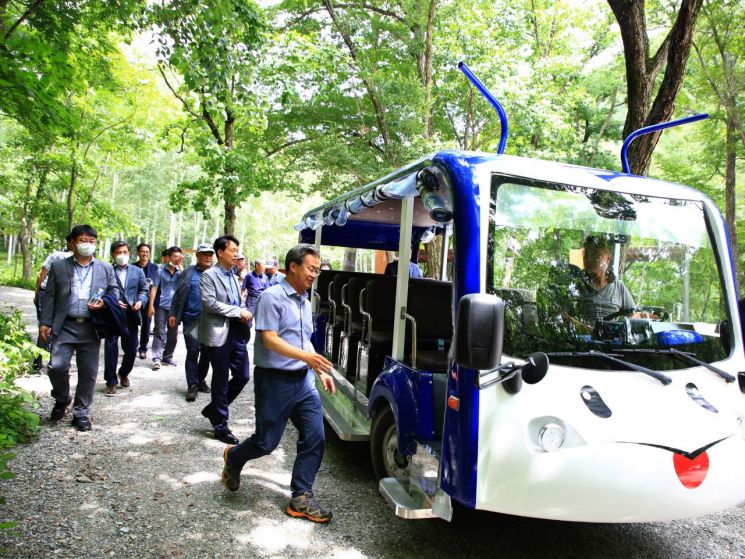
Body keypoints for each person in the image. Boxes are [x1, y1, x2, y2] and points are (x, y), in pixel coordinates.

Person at [221, 244, 335, 523]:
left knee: (315, 436)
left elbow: (302, 338)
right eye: (311, 268)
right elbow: (270, 339)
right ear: (293, 266)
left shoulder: (305, 301)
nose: (314, 274)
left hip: (303, 381)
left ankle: (301, 496)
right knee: (266, 442)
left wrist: (317, 368)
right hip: (274, 380)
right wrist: (308, 356)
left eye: (317, 270)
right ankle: (235, 457)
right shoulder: (271, 297)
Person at [39, 224, 118, 431]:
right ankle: (62, 397)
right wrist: (45, 322)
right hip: (64, 325)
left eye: (91, 242)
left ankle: (81, 412)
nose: (87, 245)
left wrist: (104, 303)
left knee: (89, 371)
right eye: (83, 241)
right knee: (56, 367)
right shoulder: (59, 266)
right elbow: (49, 296)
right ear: (72, 243)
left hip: (91, 327)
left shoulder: (105, 268)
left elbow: (114, 292)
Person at [193, 236, 251, 444]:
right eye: (232, 250)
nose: (236, 254)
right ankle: (220, 425)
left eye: (237, 250)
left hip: (237, 331)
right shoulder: (209, 276)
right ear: (220, 252)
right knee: (220, 379)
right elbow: (210, 304)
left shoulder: (234, 275)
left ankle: (213, 410)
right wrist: (238, 311)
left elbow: (236, 300)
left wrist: (243, 311)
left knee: (243, 375)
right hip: (218, 332)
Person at [103, 241, 149, 396]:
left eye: (125, 252)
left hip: (131, 314)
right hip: (112, 314)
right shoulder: (106, 270)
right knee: (111, 347)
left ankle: (123, 372)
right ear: (113, 254)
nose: (122, 255)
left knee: (131, 349)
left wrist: (140, 301)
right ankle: (111, 381)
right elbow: (102, 290)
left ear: (129, 254)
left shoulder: (138, 271)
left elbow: (144, 289)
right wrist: (112, 302)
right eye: (118, 252)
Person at [169, 243, 214, 402]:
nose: (208, 257)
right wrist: (173, 313)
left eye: (210, 254)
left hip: (211, 321)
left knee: (207, 353)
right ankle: (192, 386)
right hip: (191, 319)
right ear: (198, 256)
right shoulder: (188, 273)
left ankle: (200, 380)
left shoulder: (217, 273)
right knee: (193, 351)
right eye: (204, 254)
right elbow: (178, 294)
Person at [571, 236, 636, 329]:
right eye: (586, 256)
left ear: (608, 259)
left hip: (610, 341)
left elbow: (632, 313)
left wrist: (621, 330)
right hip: (580, 341)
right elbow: (562, 315)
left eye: (596, 256)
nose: (589, 260)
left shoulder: (618, 286)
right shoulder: (575, 284)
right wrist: (588, 329)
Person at [33, 233, 74, 372]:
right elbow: (42, 275)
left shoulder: (79, 260)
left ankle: (49, 360)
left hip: (58, 295)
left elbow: (41, 275)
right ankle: (40, 359)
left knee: (53, 327)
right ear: (70, 242)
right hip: (48, 293)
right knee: (46, 326)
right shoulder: (57, 256)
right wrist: (37, 293)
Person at [151, 246, 183, 370]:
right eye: (174, 256)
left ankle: (168, 356)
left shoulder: (180, 271)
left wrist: (180, 267)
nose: (176, 259)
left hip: (174, 307)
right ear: (169, 257)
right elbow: (153, 288)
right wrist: (151, 306)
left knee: (173, 333)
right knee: (159, 332)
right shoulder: (159, 270)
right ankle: (156, 358)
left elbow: (186, 282)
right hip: (160, 306)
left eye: (179, 257)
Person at [133, 243, 159, 360]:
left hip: (149, 302)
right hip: (133, 301)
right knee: (132, 325)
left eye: (147, 252)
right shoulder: (132, 267)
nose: (145, 254)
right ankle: (132, 347)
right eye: (142, 251)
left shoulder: (154, 268)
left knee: (146, 326)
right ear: (138, 253)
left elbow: (155, 287)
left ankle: (143, 349)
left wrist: (151, 305)